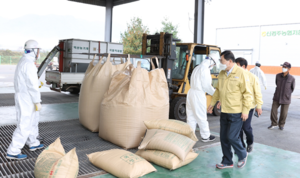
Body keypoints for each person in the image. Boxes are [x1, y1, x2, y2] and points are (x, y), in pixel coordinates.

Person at [207, 50, 252, 169]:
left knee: (232, 137)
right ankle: (227, 161)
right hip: (225, 111)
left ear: (230, 61)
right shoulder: (222, 73)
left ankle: (243, 154)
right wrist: (212, 103)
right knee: (223, 138)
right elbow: (218, 91)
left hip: (237, 112)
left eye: (222, 61)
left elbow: (247, 93)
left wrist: (246, 110)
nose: (220, 63)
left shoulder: (241, 73)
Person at [6, 40, 44, 160]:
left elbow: (28, 81)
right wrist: (37, 100)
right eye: (38, 50)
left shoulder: (24, 61)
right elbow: (32, 85)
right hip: (27, 98)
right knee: (25, 123)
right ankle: (13, 150)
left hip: (24, 96)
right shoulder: (28, 64)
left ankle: (33, 143)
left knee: (32, 121)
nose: (39, 53)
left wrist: (37, 84)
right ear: (33, 51)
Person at [235, 58, 263, 153]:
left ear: (243, 66)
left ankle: (250, 143)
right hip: (237, 107)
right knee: (237, 128)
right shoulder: (235, 76)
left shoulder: (252, 77)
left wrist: (259, 106)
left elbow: (258, 93)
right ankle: (241, 147)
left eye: (237, 65)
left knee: (246, 127)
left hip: (249, 106)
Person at [186, 56, 216, 142]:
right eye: (213, 65)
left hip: (191, 93)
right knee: (201, 116)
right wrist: (215, 93)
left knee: (191, 117)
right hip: (198, 94)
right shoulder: (205, 69)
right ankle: (206, 136)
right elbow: (206, 86)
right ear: (210, 63)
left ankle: (190, 135)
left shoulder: (197, 67)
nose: (212, 67)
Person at [268, 62, 295, 130]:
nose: (283, 68)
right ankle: (274, 123)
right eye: (283, 67)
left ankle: (281, 124)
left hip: (286, 98)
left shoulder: (292, 78)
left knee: (284, 113)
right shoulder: (278, 76)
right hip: (277, 96)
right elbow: (277, 83)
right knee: (273, 111)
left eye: (285, 67)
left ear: (289, 69)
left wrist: (287, 94)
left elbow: (292, 88)